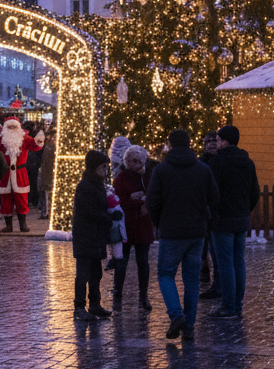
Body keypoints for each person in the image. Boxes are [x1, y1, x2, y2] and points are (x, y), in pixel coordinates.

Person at [147, 128, 219, 341]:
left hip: (171, 231)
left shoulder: (161, 170)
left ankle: (176, 314)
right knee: (192, 279)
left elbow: (152, 201)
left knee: (165, 274)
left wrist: (159, 223)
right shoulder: (203, 169)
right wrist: (205, 217)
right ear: (189, 144)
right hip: (197, 231)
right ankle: (189, 324)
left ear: (170, 144)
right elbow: (215, 198)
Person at [207, 125, 260, 318]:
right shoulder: (248, 162)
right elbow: (255, 192)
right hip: (241, 219)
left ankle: (228, 305)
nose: (216, 143)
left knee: (225, 263)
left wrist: (213, 214)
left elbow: (211, 193)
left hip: (222, 220)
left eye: (218, 140)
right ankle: (237, 304)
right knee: (238, 261)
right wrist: (245, 210)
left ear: (225, 141)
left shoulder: (217, 163)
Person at [71, 150, 113, 322]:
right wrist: (106, 218)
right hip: (85, 235)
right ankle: (79, 307)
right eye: (103, 167)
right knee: (83, 274)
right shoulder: (86, 186)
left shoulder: (98, 184)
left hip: (96, 235)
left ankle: (95, 304)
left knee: (96, 273)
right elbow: (87, 210)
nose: (105, 170)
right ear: (94, 167)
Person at [112, 144, 155, 310]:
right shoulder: (121, 178)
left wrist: (144, 199)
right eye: (133, 161)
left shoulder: (147, 177)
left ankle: (143, 296)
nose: (136, 164)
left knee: (143, 262)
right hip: (126, 224)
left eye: (139, 161)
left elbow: (153, 194)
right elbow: (118, 200)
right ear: (127, 161)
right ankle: (117, 294)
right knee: (121, 262)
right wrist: (136, 201)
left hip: (142, 224)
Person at [0, 117, 45, 233]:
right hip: (5, 173)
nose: (12, 129)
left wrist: (39, 140)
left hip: (20, 173)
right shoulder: (1, 139)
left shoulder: (25, 139)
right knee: (6, 200)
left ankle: (23, 224)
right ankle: (8, 226)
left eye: (14, 127)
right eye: (9, 127)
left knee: (21, 199)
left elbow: (35, 146)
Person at [197, 133, 222, 300]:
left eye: (215, 141)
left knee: (216, 250)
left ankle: (218, 283)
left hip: (217, 212)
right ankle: (204, 271)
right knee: (202, 246)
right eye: (209, 142)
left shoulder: (221, 162)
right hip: (202, 211)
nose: (212, 144)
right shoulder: (201, 163)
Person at [37, 127, 56, 219]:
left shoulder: (50, 146)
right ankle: (45, 211)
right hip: (47, 172)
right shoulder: (49, 145)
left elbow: (47, 160)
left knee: (46, 192)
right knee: (46, 192)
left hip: (48, 172)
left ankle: (46, 212)